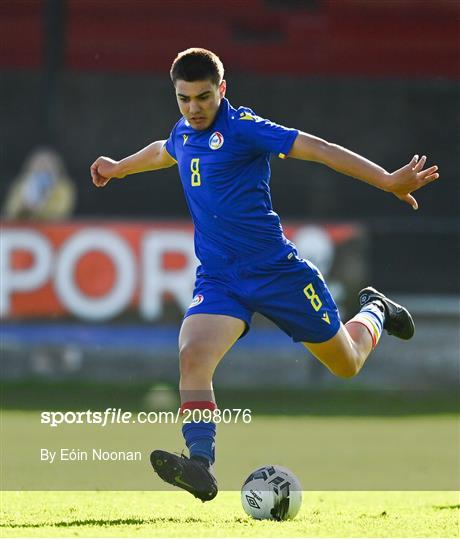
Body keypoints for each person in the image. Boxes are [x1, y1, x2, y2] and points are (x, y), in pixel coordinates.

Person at [90, 48, 439, 502]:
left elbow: (321, 150)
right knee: (194, 354)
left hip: (278, 273)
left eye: (203, 97)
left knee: (347, 364)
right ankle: (200, 464)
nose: (193, 109)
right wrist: (119, 167)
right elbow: (163, 151)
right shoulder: (183, 132)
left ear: (223, 90)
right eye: (183, 99)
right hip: (220, 277)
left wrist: (388, 181)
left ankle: (376, 310)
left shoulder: (244, 128)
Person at [3, 148, 76, 220]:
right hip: (23, 229)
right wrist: (23, 208)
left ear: (56, 166)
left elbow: (62, 211)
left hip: (51, 229)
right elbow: (11, 210)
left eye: (47, 163)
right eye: (39, 163)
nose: (43, 166)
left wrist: (36, 210)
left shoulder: (63, 187)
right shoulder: (21, 184)